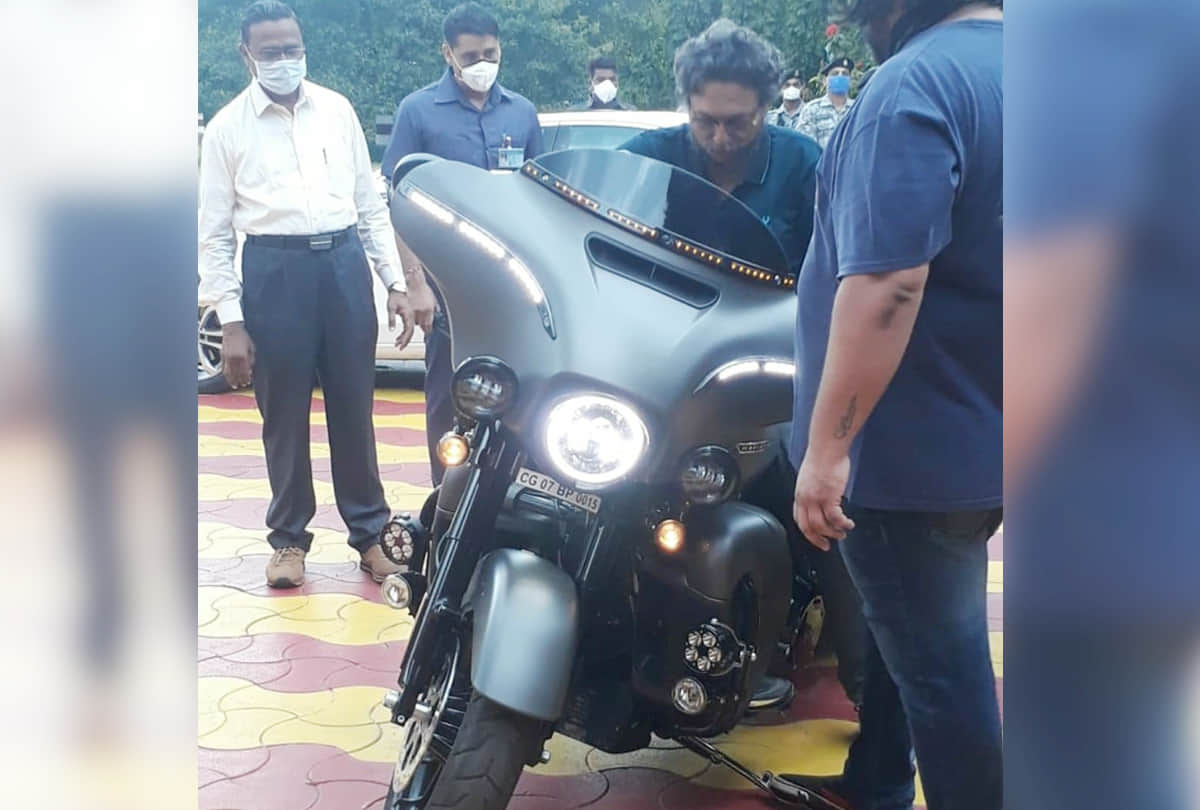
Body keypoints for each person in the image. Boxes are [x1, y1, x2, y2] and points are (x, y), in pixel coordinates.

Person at [782, 1, 1003, 808]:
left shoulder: (916, 84)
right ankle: (874, 778)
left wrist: (828, 449)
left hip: (907, 452)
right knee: (910, 633)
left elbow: (887, 284)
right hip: (988, 430)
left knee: (943, 673)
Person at [619, 18, 866, 715]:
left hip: (767, 378)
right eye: (706, 122)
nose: (722, 138)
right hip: (662, 370)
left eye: (738, 122)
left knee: (815, 503)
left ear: (767, 106)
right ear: (686, 106)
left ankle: (865, 687)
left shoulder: (802, 164)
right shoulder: (649, 156)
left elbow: (840, 269)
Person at [198, 0, 414, 589]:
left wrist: (393, 282)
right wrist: (233, 320)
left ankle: (370, 535)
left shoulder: (337, 111)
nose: (285, 60)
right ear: (247, 54)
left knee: (354, 406)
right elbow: (214, 236)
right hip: (274, 272)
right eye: (271, 51)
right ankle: (289, 541)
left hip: (342, 267)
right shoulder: (227, 130)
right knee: (283, 414)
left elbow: (369, 204)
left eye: (292, 48)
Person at [381, 2, 543, 487]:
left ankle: (510, 505)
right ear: (447, 53)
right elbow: (397, 200)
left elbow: (539, 199)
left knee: (518, 399)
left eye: (490, 53)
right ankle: (447, 504)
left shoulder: (521, 112)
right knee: (450, 399)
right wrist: (415, 284)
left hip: (512, 287)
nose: (481, 65)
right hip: (447, 286)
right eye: (470, 56)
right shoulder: (419, 112)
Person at [796, 56, 855, 148]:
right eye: (835, 74)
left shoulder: (857, 108)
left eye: (845, 74)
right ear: (824, 81)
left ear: (850, 80)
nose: (840, 77)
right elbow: (806, 147)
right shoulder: (812, 110)